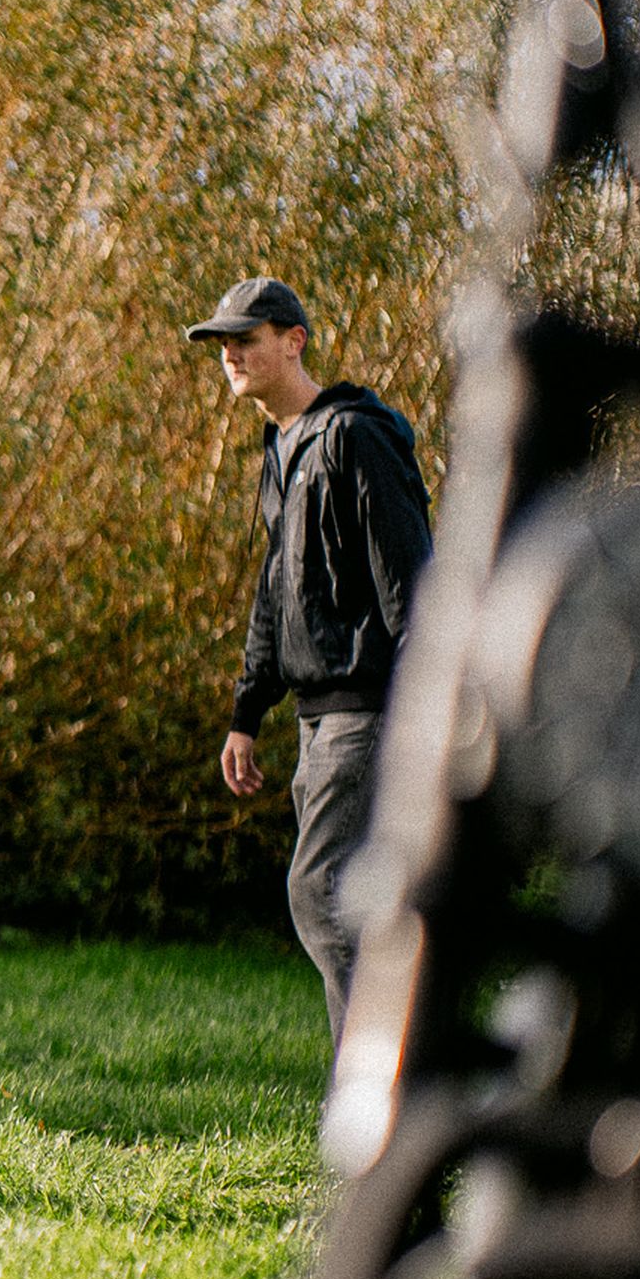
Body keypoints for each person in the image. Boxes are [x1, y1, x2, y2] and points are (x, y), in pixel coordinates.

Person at [191, 275, 432, 1047]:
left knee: (321, 891)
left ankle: (378, 1085)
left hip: (367, 709)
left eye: (246, 339)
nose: (231, 354)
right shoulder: (283, 447)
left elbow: (411, 581)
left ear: (294, 340)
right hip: (315, 719)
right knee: (344, 903)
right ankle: (379, 1090)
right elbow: (278, 587)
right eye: (223, 344)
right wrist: (245, 712)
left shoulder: (356, 437)